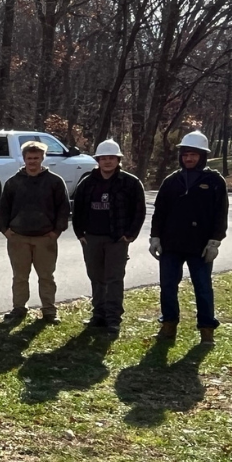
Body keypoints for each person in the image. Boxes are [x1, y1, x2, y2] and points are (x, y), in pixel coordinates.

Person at [149, 130, 228, 345]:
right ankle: (168, 325)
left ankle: (206, 329)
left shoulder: (214, 181)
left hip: (200, 246)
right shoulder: (171, 181)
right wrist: (155, 237)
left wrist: (215, 241)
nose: (189, 158)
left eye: (193, 154)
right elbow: (159, 212)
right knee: (167, 286)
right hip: (171, 244)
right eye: (185, 154)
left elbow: (221, 214)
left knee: (202, 287)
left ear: (202, 156)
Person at [71, 139, 146, 335]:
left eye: (111, 158)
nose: (107, 162)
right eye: (103, 158)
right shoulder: (87, 183)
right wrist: (80, 234)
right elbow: (77, 210)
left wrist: (129, 235)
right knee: (96, 277)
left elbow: (139, 211)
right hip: (91, 238)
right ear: (97, 160)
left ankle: (113, 318)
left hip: (116, 239)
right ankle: (99, 314)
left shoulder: (130, 183)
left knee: (114, 278)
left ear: (118, 159)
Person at [0, 141, 70, 323]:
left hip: (45, 238)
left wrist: (56, 232)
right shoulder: (13, 182)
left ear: (43, 158)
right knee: (20, 277)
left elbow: (64, 209)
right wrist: (5, 230)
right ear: (24, 159)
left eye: (36, 158)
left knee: (46, 277)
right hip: (18, 238)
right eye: (29, 158)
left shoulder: (54, 181)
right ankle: (19, 308)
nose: (33, 161)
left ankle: (49, 311)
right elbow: (3, 209)